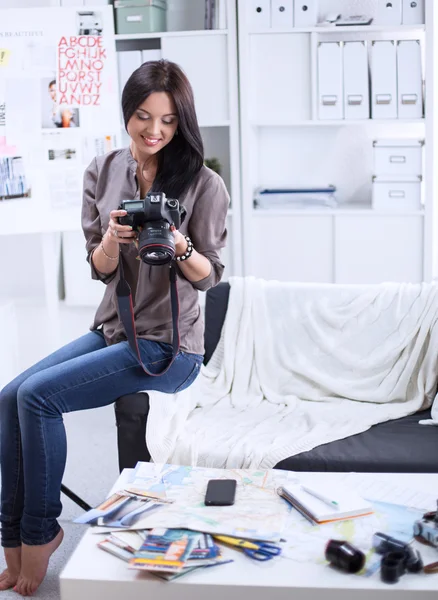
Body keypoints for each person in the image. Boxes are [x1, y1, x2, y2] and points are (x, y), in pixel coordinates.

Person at [0, 59, 229, 596]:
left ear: (182, 122)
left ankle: (40, 534)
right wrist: (109, 242)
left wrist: (179, 245)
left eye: (169, 121)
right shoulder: (101, 171)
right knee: (9, 395)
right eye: (144, 116)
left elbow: (210, 277)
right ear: (127, 113)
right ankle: (11, 534)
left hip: (170, 348)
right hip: (114, 328)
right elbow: (100, 269)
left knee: (37, 398)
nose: (154, 131)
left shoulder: (203, 181)